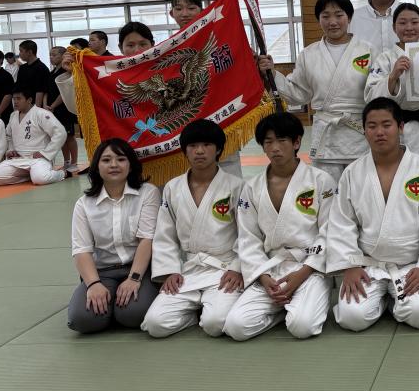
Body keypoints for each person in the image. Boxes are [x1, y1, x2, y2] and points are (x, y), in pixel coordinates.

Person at [327, 98, 419, 331]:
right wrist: (350, 266)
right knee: (352, 318)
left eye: (386, 125)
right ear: (364, 130)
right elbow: (342, 223)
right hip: (369, 266)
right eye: (372, 126)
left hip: (412, 266)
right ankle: (388, 300)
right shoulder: (352, 172)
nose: (379, 132)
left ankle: (396, 300)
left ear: (400, 127)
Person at [223, 113, 336, 341]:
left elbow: (330, 232)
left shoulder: (321, 180)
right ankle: (281, 310)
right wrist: (263, 277)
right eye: (268, 142)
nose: (275, 148)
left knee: (302, 327)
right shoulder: (252, 187)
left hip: (309, 267)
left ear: (297, 142)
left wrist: (303, 272)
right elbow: (248, 237)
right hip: (271, 268)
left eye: (282, 140)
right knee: (236, 327)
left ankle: (292, 306)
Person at [142, 120, 245, 338]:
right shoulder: (173, 187)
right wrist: (170, 270)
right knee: (155, 324)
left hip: (224, 269)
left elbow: (248, 232)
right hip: (188, 270)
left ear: (219, 149)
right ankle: (192, 316)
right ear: (184, 151)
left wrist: (237, 267)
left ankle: (206, 311)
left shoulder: (236, 186)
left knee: (215, 324)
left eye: (207, 145)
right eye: (193, 146)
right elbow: (165, 235)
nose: (199, 151)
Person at [258, 0, 372, 183]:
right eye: (325, 16)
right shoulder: (308, 54)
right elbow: (297, 94)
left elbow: (376, 91)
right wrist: (273, 74)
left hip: (359, 134)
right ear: (319, 19)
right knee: (326, 191)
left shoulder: (368, 50)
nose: (332, 22)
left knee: (361, 191)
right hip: (327, 136)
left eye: (339, 15)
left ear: (349, 17)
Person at [68, 139, 161, 333]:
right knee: (82, 320)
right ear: (96, 166)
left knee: (133, 315)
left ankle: (118, 308)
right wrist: (93, 284)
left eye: (121, 159)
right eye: (106, 160)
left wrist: (134, 279)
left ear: (131, 165)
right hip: (103, 272)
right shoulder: (84, 204)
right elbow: (81, 250)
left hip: (140, 269)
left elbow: (147, 239)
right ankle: (108, 306)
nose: (113, 165)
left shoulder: (147, 193)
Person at [366, 3, 419, 182]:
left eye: (414, 22)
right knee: (397, 187)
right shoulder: (385, 58)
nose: (409, 27)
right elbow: (370, 96)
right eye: (402, 23)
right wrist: (393, 76)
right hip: (396, 136)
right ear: (394, 27)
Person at [167, 0, 242, 179]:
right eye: (179, 9)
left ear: (202, 10)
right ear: (171, 13)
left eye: (191, 8)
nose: (185, 13)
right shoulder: (166, 49)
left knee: (229, 178)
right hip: (186, 123)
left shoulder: (219, 36)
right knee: (190, 180)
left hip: (221, 117)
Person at [0, 88, 69, 186]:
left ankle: (62, 173)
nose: (15, 102)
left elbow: (60, 133)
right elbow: (8, 136)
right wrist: (11, 150)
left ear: (29, 100)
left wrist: (46, 153)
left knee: (40, 179)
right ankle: (29, 175)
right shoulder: (13, 115)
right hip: (18, 159)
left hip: (38, 159)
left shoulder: (41, 113)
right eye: (14, 99)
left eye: (18, 99)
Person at [47, 47, 79, 172]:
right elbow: (47, 91)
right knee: (61, 136)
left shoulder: (66, 71)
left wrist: (53, 105)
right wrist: (47, 106)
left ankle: (74, 162)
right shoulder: (52, 72)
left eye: (54, 55)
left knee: (69, 136)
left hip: (65, 108)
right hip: (53, 109)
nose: (51, 57)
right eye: (50, 55)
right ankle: (66, 161)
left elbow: (64, 92)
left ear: (62, 56)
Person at [15, 40, 50, 108]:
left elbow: (40, 91)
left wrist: (36, 110)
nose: (19, 54)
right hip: (23, 105)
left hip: (34, 106)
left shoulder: (41, 68)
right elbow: (18, 87)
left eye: (21, 51)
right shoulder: (22, 68)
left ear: (29, 52)